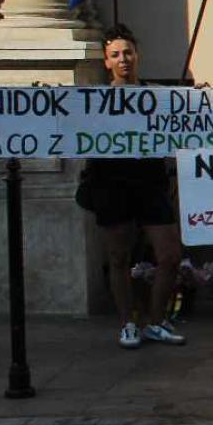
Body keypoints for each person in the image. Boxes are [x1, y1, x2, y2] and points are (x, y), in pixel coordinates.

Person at [84, 24, 187, 350]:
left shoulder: (156, 96)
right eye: (115, 54)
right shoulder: (94, 100)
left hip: (151, 183)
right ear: (106, 61)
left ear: (137, 56)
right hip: (112, 184)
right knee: (118, 256)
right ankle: (128, 322)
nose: (123, 59)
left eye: (127, 52)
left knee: (170, 255)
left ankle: (156, 321)